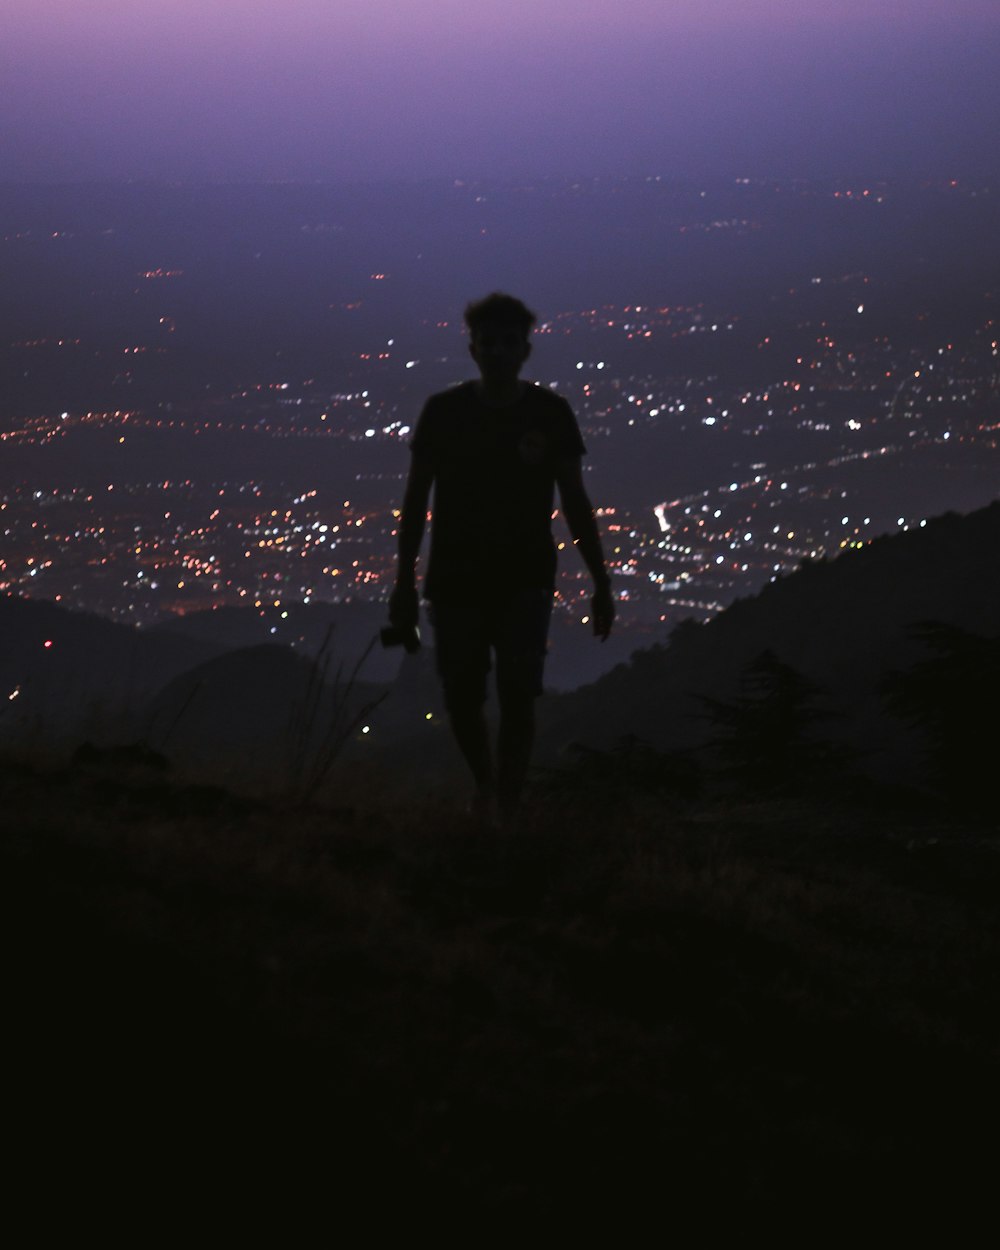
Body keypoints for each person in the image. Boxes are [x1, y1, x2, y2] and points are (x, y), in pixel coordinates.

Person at [388, 292, 614, 826]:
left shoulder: (549, 414)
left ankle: (506, 802)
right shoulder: (444, 413)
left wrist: (600, 580)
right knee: (462, 693)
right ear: (473, 349)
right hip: (456, 578)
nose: (497, 352)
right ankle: (488, 787)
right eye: (488, 343)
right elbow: (416, 499)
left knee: (518, 694)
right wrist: (402, 580)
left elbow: (575, 501)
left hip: (524, 577)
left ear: (525, 350)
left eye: (507, 343)